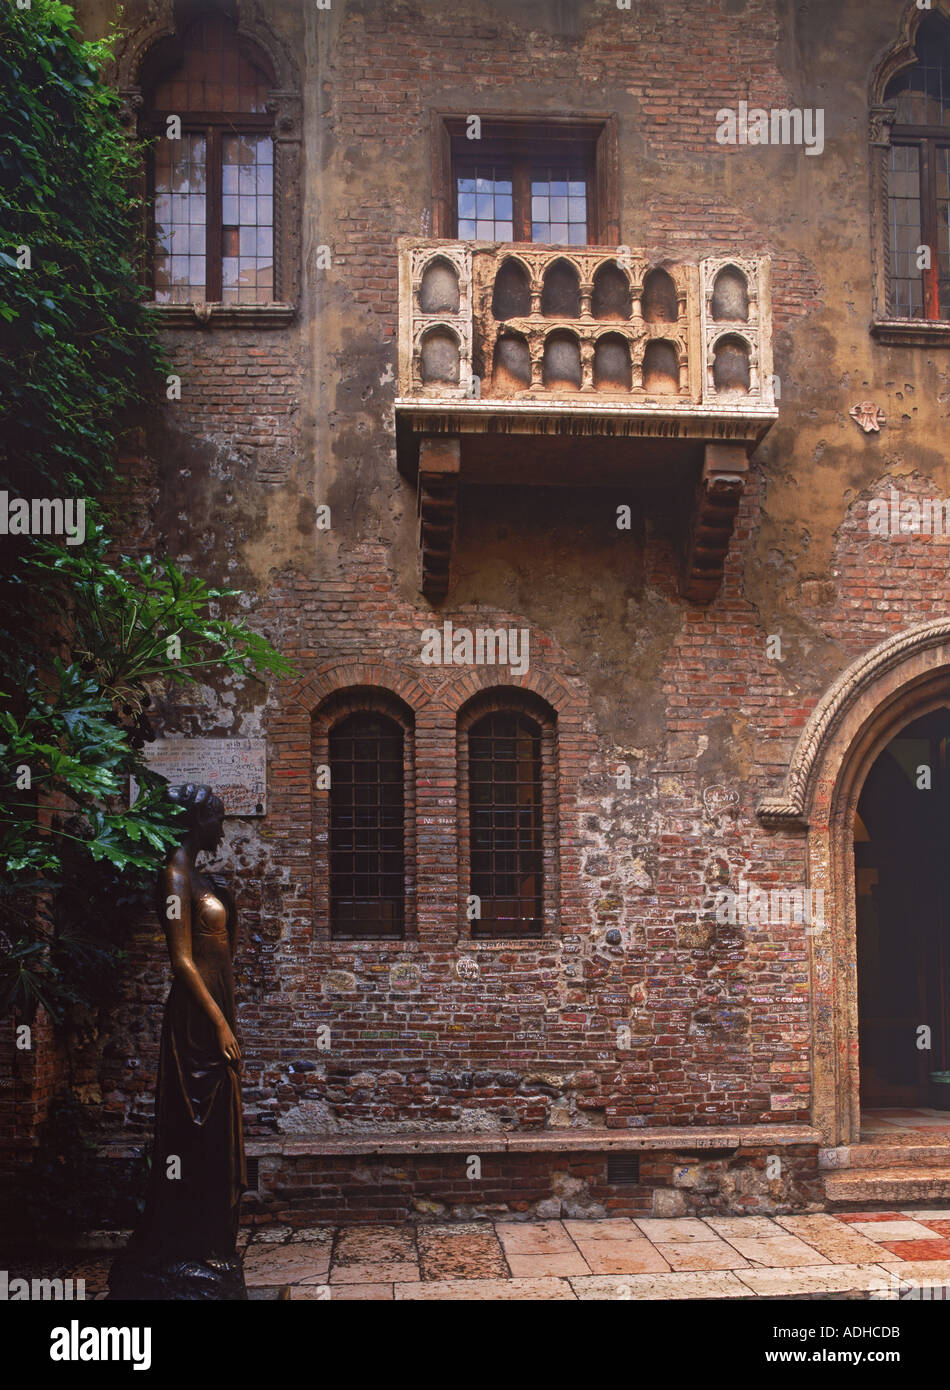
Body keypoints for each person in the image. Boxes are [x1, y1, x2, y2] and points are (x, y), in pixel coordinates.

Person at [109, 783, 247, 1300]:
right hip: (196, 1020)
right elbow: (181, 959)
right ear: (196, 821)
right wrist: (218, 1023)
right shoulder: (174, 877)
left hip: (216, 1010)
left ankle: (211, 1240)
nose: (221, 827)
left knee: (218, 1128)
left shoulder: (201, 877)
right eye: (216, 818)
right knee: (196, 1127)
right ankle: (182, 1244)